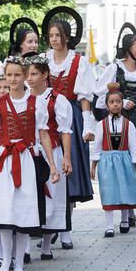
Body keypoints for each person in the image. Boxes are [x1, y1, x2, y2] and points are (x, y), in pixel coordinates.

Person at [0, 56, 60, 271]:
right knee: (5, 210)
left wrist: (52, 164)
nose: (13, 79)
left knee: (24, 210)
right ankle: (4, 262)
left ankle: (19, 261)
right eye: (9, 75)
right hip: (4, 161)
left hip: (26, 159)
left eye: (17, 75)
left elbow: (44, 133)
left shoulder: (36, 102)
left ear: (25, 76)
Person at [95, 33, 136, 226]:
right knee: (125, 164)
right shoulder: (115, 68)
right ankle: (128, 211)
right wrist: (121, 103)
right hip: (123, 121)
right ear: (129, 49)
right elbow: (100, 95)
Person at [44, 15, 95, 251]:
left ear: (67, 37)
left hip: (70, 117)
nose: (54, 39)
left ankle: (65, 228)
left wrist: (87, 124)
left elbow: (84, 97)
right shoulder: (44, 59)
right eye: (51, 35)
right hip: (45, 116)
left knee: (68, 172)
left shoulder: (79, 62)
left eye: (58, 35)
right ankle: (49, 226)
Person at [26, 55, 73, 260]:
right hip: (27, 152)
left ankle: (46, 246)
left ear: (45, 75)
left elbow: (65, 131)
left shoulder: (57, 99)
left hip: (51, 150)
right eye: (27, 74)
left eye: (34, 74)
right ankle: (25, 248)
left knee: (51, 196)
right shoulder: (22, 97)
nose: (29, 78)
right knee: (28, 198)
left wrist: (66, 158)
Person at [90, 84, 136, 237]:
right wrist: (93, 166)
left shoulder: (129, 124)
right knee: (108, 191)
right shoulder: (101, 125)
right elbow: (97, 146)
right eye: (112, 102)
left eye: (118, 101)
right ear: (107, 105)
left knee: (124, 188)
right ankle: (109, 226)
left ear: (122, 103)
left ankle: (125, 219)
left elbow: (134, 147)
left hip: (124, 160)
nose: (115, 104)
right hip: (107, 162)